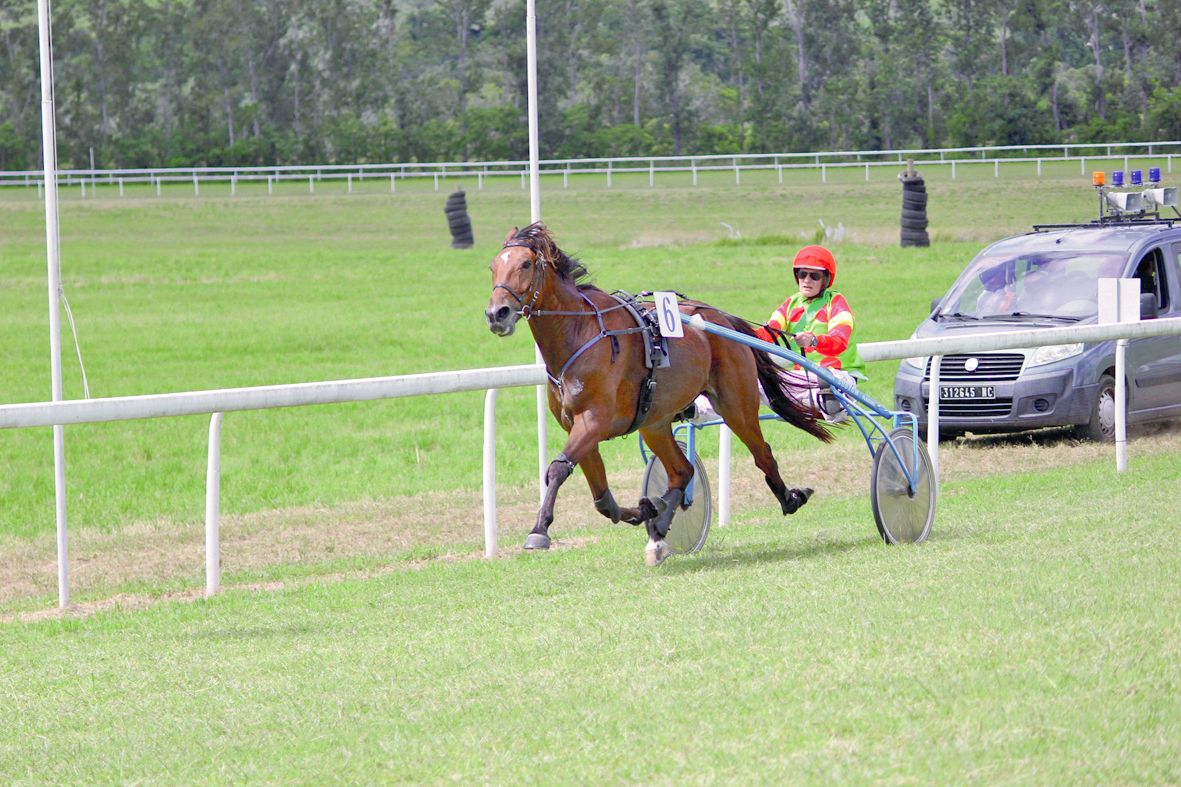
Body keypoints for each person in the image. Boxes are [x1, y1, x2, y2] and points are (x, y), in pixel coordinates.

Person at [690, 245, 865, 423]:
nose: (806, 280)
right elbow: (766, 335)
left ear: (826, 279)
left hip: (838, 378)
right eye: (802, 274)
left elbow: (840, 341)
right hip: (803, 381)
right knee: (751, 380)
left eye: (814, 276)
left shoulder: (836, 302)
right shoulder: (791, 304)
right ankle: (695, 410)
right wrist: (728, 331)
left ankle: (830, 404)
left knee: (823, 381)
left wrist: (812, 340)